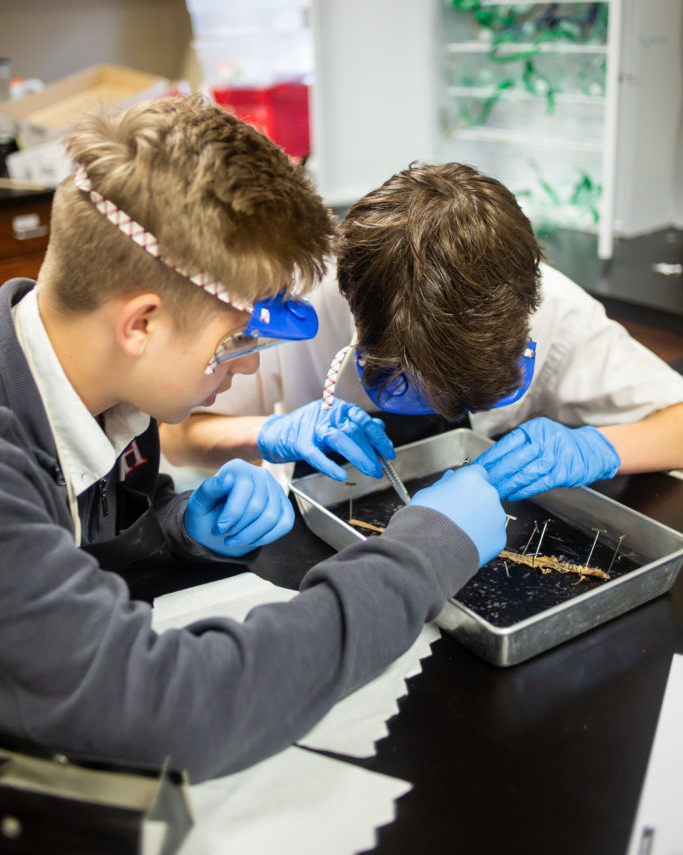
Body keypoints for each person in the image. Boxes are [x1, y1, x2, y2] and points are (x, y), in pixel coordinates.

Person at [0, 99, 508, 784]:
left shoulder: (106, 397)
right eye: (238, 340)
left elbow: (63, 548)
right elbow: (164, 709)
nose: (245, 369)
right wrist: (419, 558)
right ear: (140, 324)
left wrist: (174, 530)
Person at [160, 162, 683, 494]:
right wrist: (267, 434)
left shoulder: (557, 311)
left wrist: (596, 449)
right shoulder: (300, 300)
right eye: (408, 388)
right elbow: (177, 439)